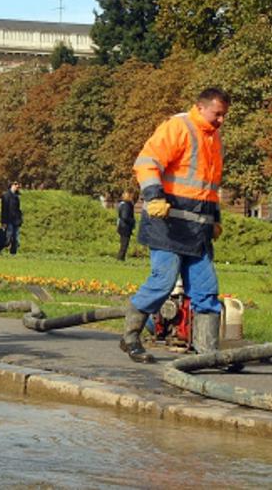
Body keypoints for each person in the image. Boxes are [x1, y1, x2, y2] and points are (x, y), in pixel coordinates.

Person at [120, 88, 230, 364]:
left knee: (206, 290)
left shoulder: (214, 139)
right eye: (218, 114)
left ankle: (207, 353)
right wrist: (154, 196)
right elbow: (146, 162)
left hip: (197, 230)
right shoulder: (179, 127)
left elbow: (210, 186)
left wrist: (214, 218)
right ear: (201, 107)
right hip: (167, 225)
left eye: (224, 115)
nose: (221, 121)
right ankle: (130, 336)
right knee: (163, 282)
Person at [0, 181, 22, 254]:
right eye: (15, 184)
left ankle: (13, 253)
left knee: (16, 238)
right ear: (11, 185)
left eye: (18, 184)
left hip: (16, 220)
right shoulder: (6, 196)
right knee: (8, 238)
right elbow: (4, 209)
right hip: (9, 220)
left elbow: (18, 209)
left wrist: (20, 218)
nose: (17, 186)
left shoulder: (17, 196)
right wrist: (3, 221)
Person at [115, 190, 136, 261]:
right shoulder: (126, 205)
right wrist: (132, 221)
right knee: (124, 244)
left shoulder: (122, 204)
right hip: (125, 227)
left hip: (122, 226)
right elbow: (125, 216)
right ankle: (120, 258)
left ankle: (121, 258)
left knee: (123, 244)